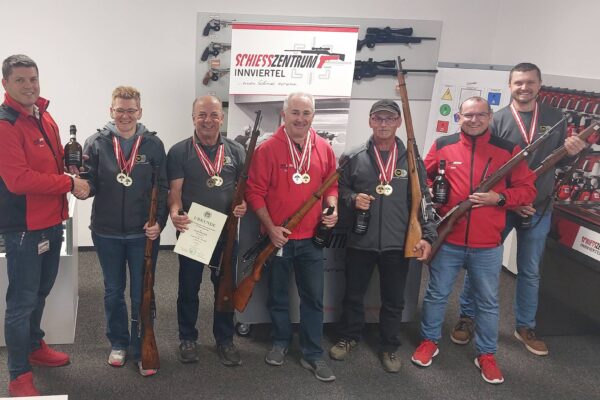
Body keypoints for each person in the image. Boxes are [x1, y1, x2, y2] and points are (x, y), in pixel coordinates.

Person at [451, 63, 587, 356]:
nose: (524, 87)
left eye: (530, 82)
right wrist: (512, 199)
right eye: (519, 82)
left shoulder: (556, 118)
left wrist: (574, 152)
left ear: (539, 84)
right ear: (510, 86)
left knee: (530, 270)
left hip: (539, 207)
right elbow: (488, 169)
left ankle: (525, 326)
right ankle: (467, 316)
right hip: (501, 206)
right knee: (480, 263)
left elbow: (560, 162)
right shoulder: (497, 120)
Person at [411, 97, 537, 384]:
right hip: (448, 238)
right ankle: (429, 341)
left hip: (488, 244)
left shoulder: (508, 150)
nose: (474, 119)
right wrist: (434, 192)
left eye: (481, 114)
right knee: (436, 294)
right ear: (459, 117)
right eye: (468, 115)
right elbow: (421, 180)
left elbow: (528, 190)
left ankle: (487, 355)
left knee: (488, 302)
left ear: (490, 117)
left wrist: (499, 198)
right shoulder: (443, 145)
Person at [0, 54, 89, 396]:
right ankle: (18, 375)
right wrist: (69, 183)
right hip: (24, 228)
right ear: (5, 84)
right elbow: (19, 180)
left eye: (33, 79)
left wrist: (71, 167)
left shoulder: (43, 113)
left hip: (53, 220)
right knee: (21, 301)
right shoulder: (5, 124)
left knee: (40, 292)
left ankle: (34, 346)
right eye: (20, 80)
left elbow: (52, 161)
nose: (29, 86)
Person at [328, 100, 436, 373]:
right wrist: (353, 198)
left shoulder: (412, 159)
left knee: (394, 299)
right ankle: (348, 337)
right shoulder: (352, 156)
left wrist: (428, 236)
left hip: (398, 243)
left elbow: (424, 200)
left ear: (398, 122)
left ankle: (389, 346)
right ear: (370, 121)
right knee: (353, 294)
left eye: (389, 119)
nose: (383, 124)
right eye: (378, 118)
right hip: (360, 240)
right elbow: (338, 189)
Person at [245, 92, 338, 382]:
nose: (300, 118)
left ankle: (313, 353)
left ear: (313, 116)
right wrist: (271, 228)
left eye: (306, 113)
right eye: (295, 112)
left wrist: (332, 207)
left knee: (313, 299)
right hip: (278, 240)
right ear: (284, 115)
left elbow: (331, 185)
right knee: (278, 295)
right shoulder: (267, 150)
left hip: (312, 240)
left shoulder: (324, 148)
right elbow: (254, 192)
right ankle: (280, 342)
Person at [83, 86, 168, 377]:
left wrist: (159, 222)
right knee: (113, 290)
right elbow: (89, 182)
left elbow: (163, 187)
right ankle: (119, 343)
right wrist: (81, 187)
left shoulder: (153, 144)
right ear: (111, 111)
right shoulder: (95, 143)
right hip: (106, 232)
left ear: (139, 112)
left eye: (131, 110)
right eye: (120, 110)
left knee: (142, 291)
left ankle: (144, 346)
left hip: (142, 234)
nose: (125, 115)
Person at [167, 95, 246, 367]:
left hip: (227, 232)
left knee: (224, 288)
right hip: (193, 229)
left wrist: (243, 205)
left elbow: (242, 190)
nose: (208, 120)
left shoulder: (237, 150)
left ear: (222, 118)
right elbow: (175, 192)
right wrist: (175, 212)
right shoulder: (179, 151)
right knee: (189, 287)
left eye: (213, 114)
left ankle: (225, 339)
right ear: (193, 118)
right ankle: (187, 338)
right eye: (202, 115)